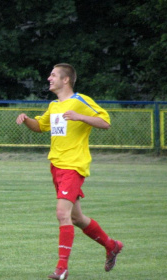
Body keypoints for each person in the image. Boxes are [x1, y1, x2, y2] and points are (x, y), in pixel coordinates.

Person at [16, 63, 123, 280]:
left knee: (61, 214)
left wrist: (80, 116)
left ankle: (62, 268)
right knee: (77, 217)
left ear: (66, 80)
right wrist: (27, 120)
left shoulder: (80, 101)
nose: (49, 78)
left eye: (53, 75)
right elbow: (40, 126)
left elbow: (105, 122)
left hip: (74, 165)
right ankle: (112, 246)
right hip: (56, 166)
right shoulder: (54, 105)